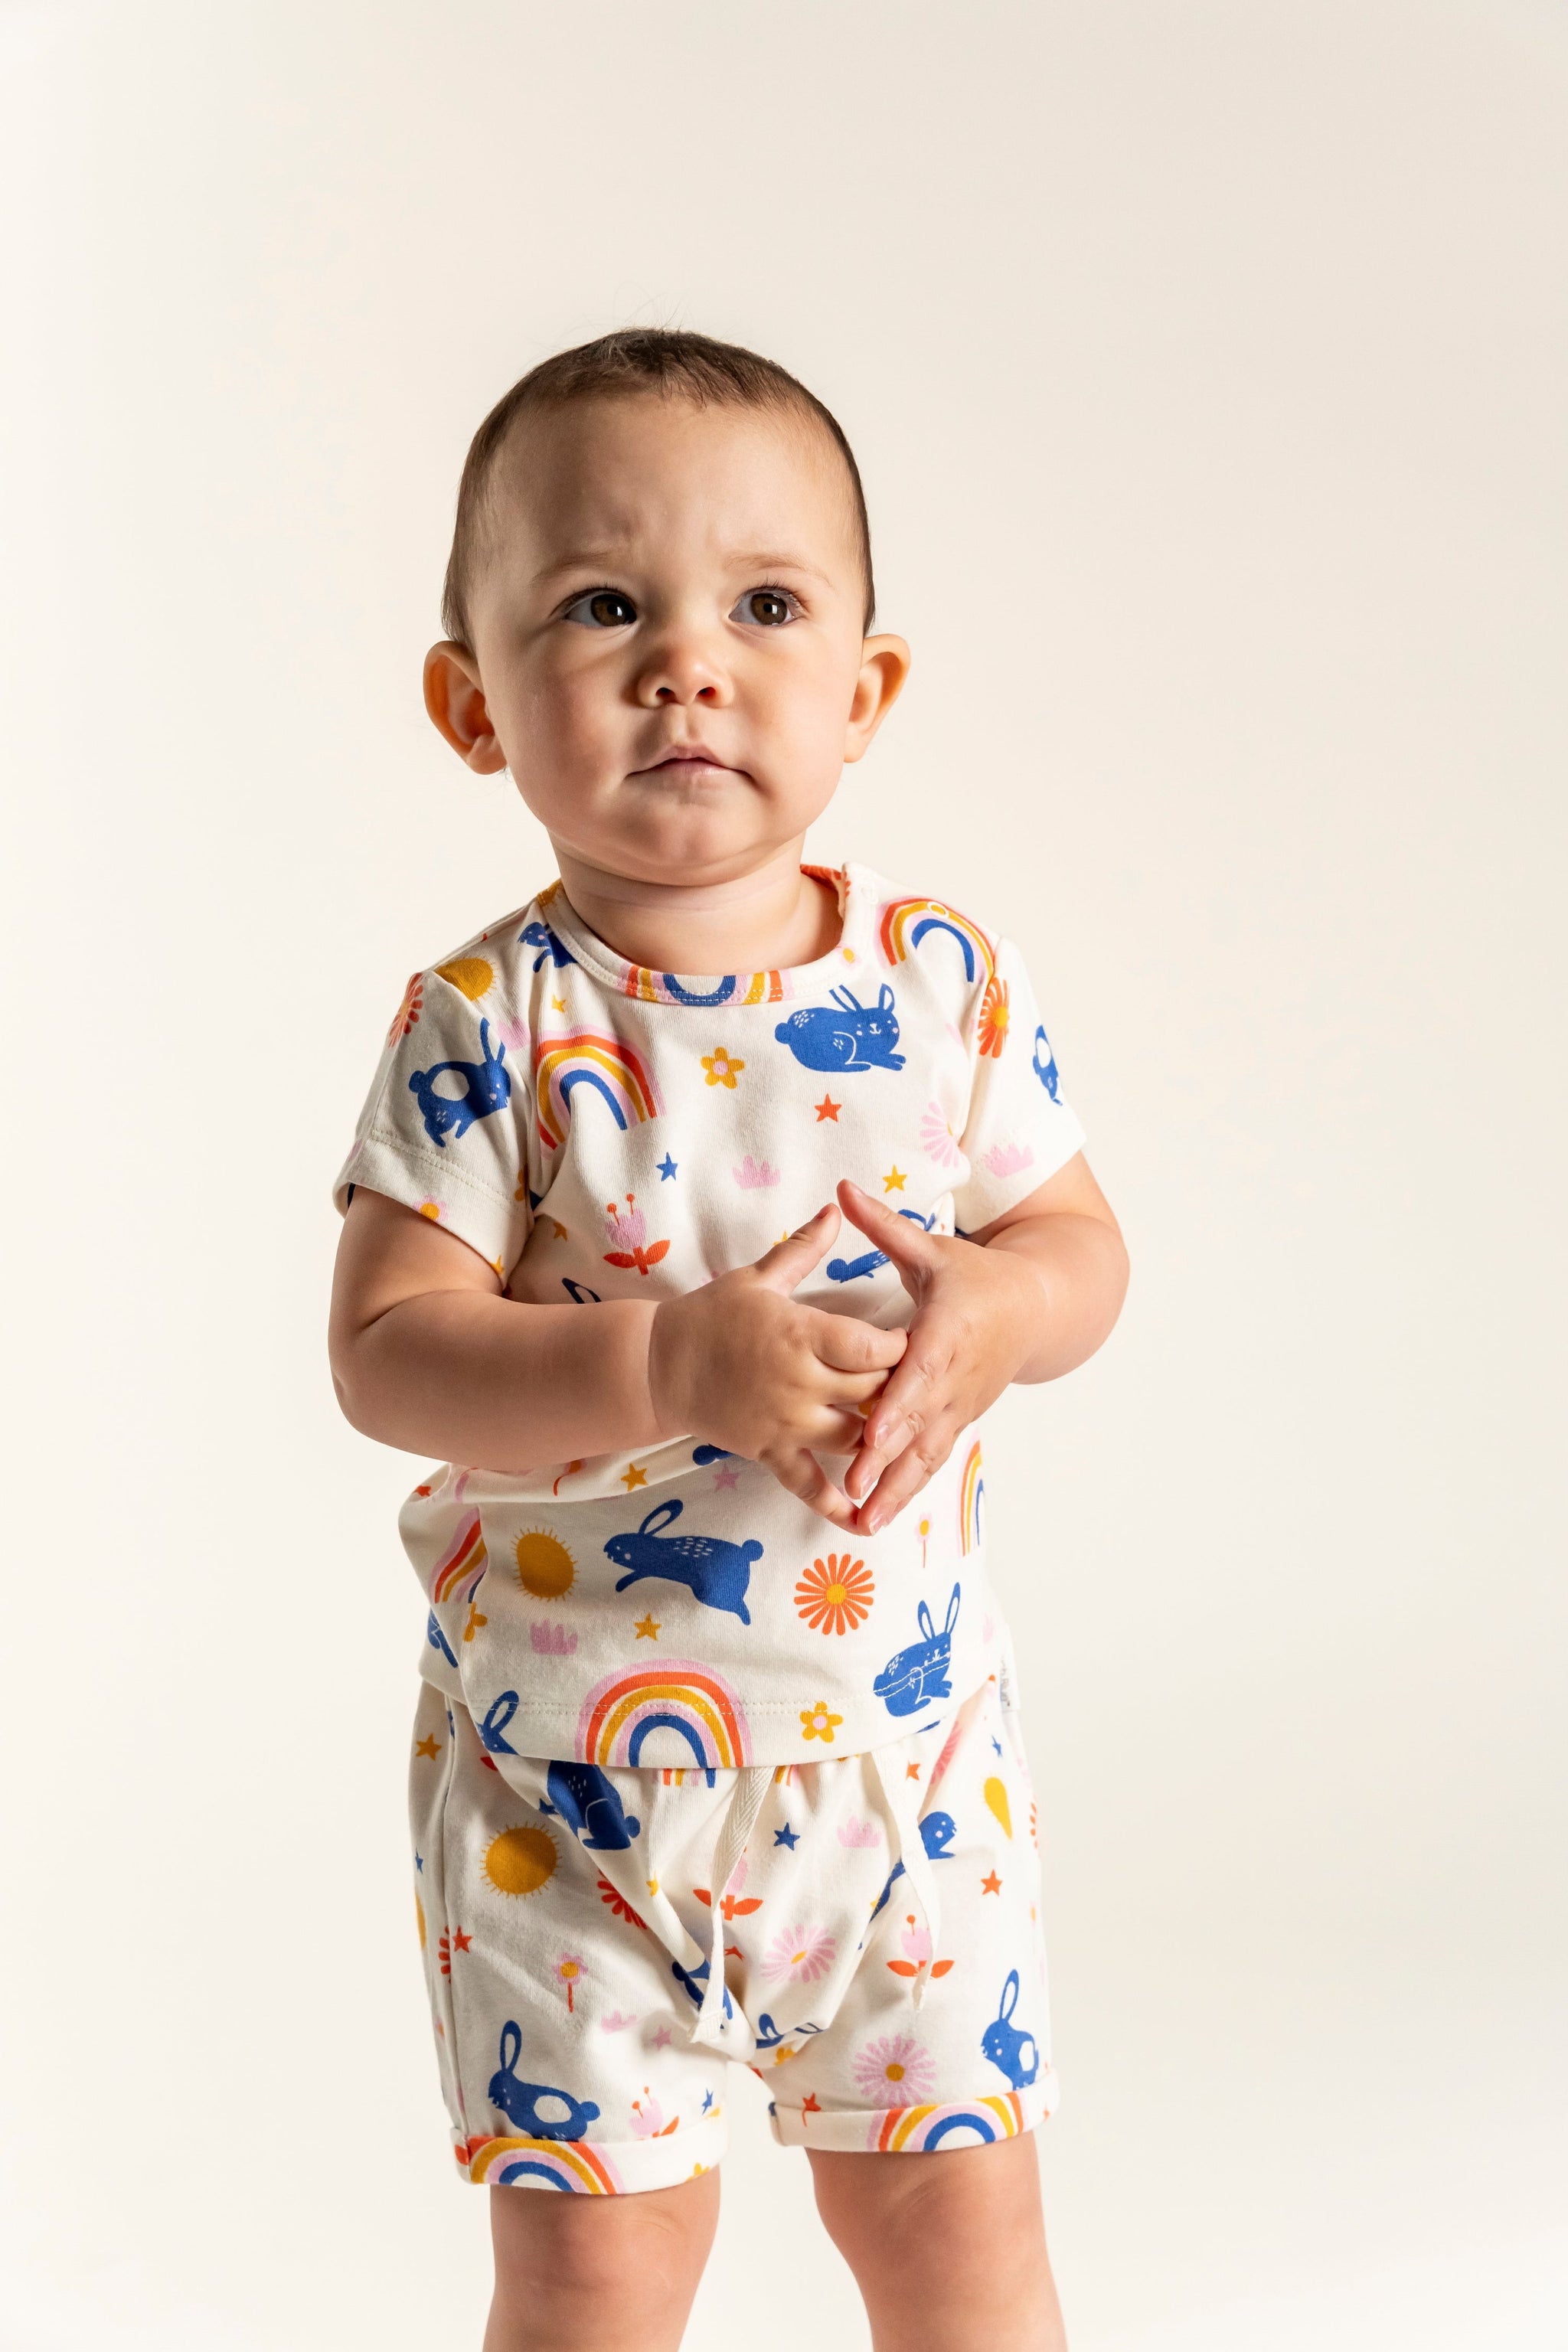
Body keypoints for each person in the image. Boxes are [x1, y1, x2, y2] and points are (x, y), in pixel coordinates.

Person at [327, 327, 1129, 2352]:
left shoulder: (944, 988)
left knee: (964, 2246)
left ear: (860, 695)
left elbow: (1080, 1244)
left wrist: (1006, 1306)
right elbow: (387, 1351)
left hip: (905, 1770)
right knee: (597, 2280)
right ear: (473, 706)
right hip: (569, 1792)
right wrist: (661, 1372)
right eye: (603, 607)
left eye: (764, 607)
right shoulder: (481, 1026)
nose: (689, 661)